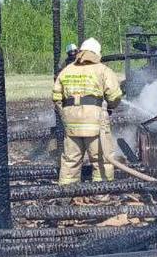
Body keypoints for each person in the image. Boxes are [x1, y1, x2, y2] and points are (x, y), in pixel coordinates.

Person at [52, 38, 123, 184]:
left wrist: (65, 115)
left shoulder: (67, 70)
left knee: (70, 160)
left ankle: (66, 195)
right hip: (95, 123)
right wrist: (109, 107)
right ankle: (102, 194)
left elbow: (56, 97)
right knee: (101, 159)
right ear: (96, 53)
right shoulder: (103, 70)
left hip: (71, 124)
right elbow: (115, 96)